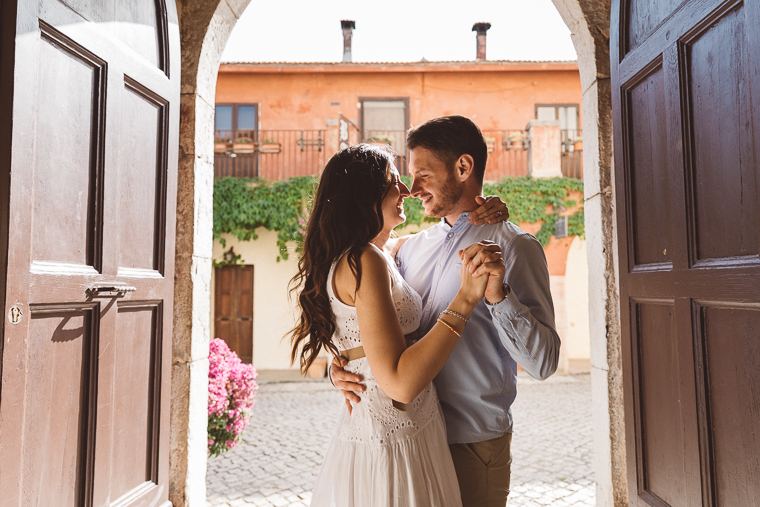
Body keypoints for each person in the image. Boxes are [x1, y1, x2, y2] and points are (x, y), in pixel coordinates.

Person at [331, 116, 561, 507]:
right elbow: (371, 323)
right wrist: (344, 365)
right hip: (408, 438)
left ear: (464, 167)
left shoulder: (515, 247)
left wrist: (498, 297)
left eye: (423, 174)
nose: (411, 188)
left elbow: (544, 362)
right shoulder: (406, 249)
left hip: (470, 442)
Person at [288, 144, 509, 507]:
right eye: (393, 181)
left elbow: (360, 337)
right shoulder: (365, 259)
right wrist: (466, 298)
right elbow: (401, 384)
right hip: (394, 435)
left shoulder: (378, 253)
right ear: (366, 193)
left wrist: (485, 210)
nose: (406, 190)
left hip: (398, 426)